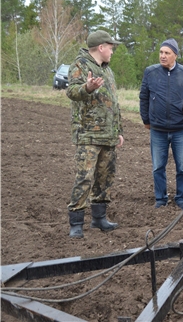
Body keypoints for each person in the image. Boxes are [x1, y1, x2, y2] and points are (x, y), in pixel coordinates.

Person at [65, 30, 124, 238]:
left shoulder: (107, 71)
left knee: (105, 178)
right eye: (111, 47)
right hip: (88, 134)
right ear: (101, 47)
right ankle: (76, 222)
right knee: (85, 178)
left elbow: (114, 104)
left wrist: (118, 130)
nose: (112, 51)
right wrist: (87, 88)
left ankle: (99, 218)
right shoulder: (80, 65)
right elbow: (72, 92)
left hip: (108, 134)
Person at [139, 38, 183, 209]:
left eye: (167, 53)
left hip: (180, 129)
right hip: (157, 129)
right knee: (158, 166)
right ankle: (161, 198)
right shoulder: (150, 73)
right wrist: (146, 120)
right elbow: (143, 97)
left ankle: (181, 198)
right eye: (161, 52)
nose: (163, 56)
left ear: (175, 55)